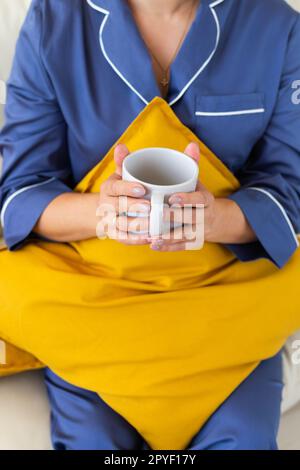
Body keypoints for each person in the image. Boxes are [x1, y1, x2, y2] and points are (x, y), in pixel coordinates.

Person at [0, 0, 299, 449]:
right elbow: (20, 193)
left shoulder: (278, 28)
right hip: (95, 300)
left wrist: (215, 217)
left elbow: (289, 191)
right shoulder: (53, 21)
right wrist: (102, 213)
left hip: (225, 301)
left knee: (245, 438)